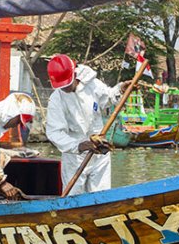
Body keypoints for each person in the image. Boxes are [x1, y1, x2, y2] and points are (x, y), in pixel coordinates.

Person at [45, 54, 129, 195]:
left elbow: (108, 97)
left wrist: (120, 90)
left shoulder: (91, 83)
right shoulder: (56, 99)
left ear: (74, 74)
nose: (65, 89)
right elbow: (54, 133)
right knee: (73, 199)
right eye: (62, 86)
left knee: (101, 196)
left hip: (99, 149)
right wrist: (79, 145)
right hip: (74, 155)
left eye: (67, 84)